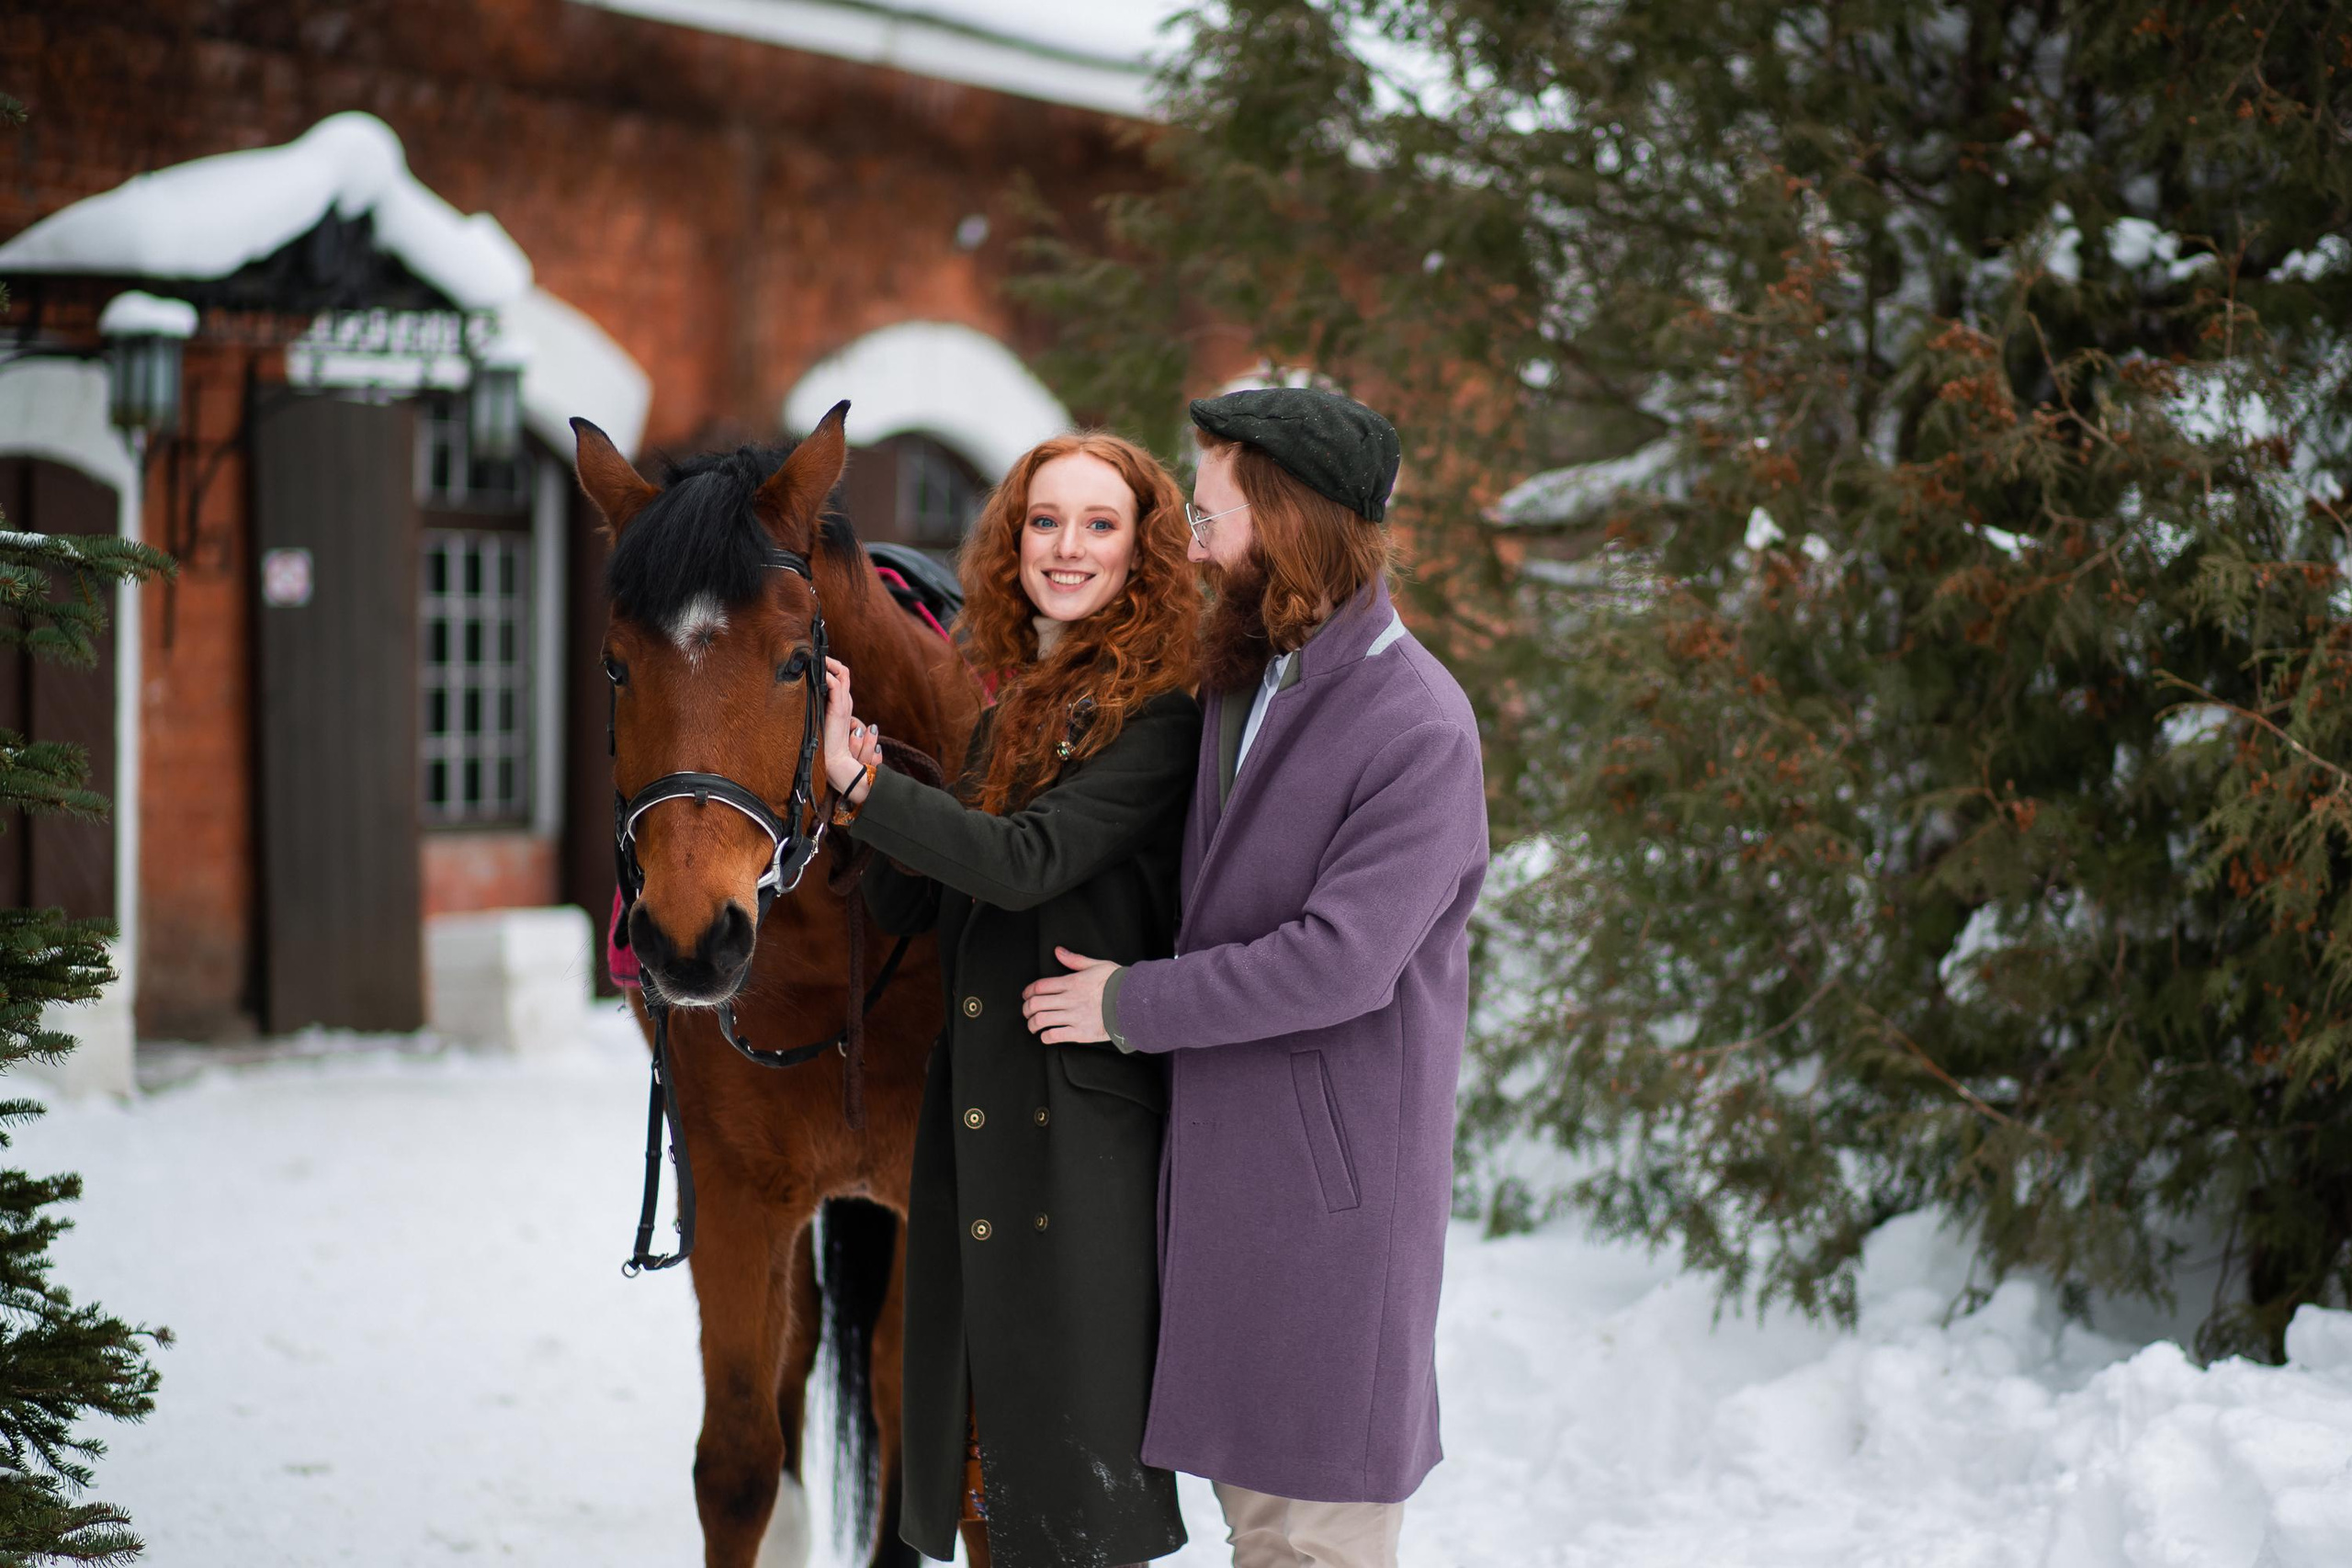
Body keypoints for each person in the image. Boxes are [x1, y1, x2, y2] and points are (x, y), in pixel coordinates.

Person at [1021, 389, 1489, 1568]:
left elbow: (1342, 960)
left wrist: (1129, 1006)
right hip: (1229, 1189)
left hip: (1329, 1213)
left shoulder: (1418, 725)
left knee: (1313, 1539)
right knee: (1258, 1529)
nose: (1192, 539)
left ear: (1289, 522)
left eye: (1212, 511)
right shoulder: (1242, 676)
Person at [820, 432, 1202, 1568]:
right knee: (988, 1472)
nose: (1066, 546)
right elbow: (915, 904)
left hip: (1076, 1137)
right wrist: (856, 778)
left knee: (1071, 1490)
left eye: (1098, 523)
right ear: (1011, 541)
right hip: (988, 1120)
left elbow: (1025, 860)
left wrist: (873, 791)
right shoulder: (1020, 700)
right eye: (1044, 521)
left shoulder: (1160, 716)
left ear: (1144, 552)